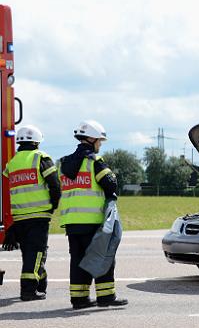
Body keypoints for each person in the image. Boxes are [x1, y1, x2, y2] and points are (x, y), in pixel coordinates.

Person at [59, 120, 127, 309]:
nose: (100, 145)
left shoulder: (64, 164)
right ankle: (106, 297)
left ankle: (79, 299)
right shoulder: (94, 162)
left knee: (78, 260)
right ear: (90, 139)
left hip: (72, 221)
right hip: (93, 220)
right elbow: (111, 184)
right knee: (102, 257)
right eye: (99, 141)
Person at [2, 125, 60, 301]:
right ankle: (28, 291)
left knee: (30, 253)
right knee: (37, 252)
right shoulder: (41, 158)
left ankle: (41, 283)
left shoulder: (12, 163)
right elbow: (55, 185)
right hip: (39, 215)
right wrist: (53, 205)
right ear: (36, 141)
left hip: (19, 217)